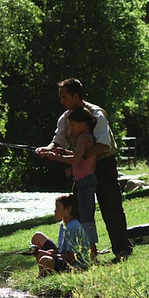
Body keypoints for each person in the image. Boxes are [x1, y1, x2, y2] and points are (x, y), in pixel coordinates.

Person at [35, 78, 133, 262]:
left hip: (103, 164)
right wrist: (47, 149)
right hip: (82, 168)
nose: (61, 101)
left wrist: (79, 157)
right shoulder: (65, 119)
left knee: (111, 207)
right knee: (78, 209)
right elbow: (58, 141)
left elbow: (104, 144)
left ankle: (122, 250)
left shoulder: (97, 114)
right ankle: (79, 253)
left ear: (76, 96)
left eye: (64, 97)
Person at [49, 107, 99, 260]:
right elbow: (79, 157)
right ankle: (89, 251)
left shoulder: (83, 138)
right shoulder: (85, 138)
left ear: (83, 124)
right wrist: (66, 156)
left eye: (73, 125)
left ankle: (92, 253)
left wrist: (57, 158)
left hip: (86, 182)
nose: (71, 128)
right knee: (84, 216)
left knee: (85, 218)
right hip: (82, 180)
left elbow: (76, 159)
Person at [30, 194, 90, 277]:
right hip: (64, 256)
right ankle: (46, 270)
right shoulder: (63, 224)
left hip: (74, 264)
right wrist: (53, 252)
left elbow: (71, 257)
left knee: (45, 259)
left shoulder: (73, 226)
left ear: (68, 209)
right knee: (37, 236)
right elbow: (63, 249)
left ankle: (42, 275)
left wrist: (49, 255)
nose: (55, 211)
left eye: (57, 207)